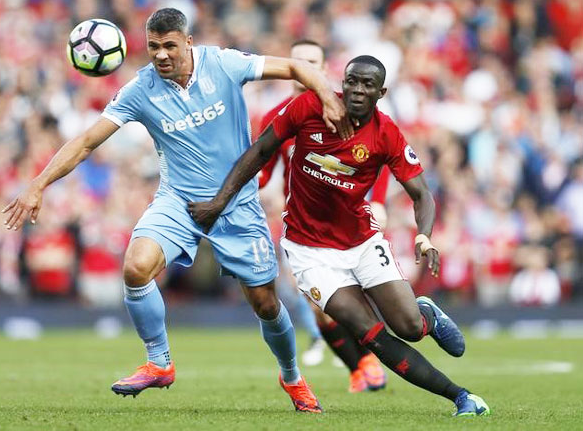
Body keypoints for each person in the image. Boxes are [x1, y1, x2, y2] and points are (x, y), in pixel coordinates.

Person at [2, 8, 352, 413]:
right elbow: (84, 143)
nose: (162, 55)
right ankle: (159, 362)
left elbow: (294, 66)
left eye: (170, 45)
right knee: (136, 267)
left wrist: (327, 96)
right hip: (179, 201)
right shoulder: (140, 90)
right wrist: (37, 184)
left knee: (266, 304)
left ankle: (292, 376)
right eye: (153, 47)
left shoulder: (223, 63)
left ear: (188, 42)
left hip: (235, 201)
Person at [189, 55, 491, 417]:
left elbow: (422, 193)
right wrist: (219, 202)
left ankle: (425, 316)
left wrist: (424, 236)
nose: (358, 90)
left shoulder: (385, 133)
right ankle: (462, 397)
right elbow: (260, 150)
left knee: (409, 328)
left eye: (367, 85)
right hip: (309, 251)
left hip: (362, 243)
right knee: (372, 334)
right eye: (352, 82)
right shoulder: (307, 107)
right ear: (343, 82)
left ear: (382, 92)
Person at [257, 39, 387, 393]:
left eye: (311, 61)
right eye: (296, 62)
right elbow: (263, 167)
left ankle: (381, 351)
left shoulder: (345, 106)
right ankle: (362, 365)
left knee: (359, 295)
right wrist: (249, 186)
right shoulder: (279, 114)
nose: (303, 68)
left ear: (325, 66)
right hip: (305, 226)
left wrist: (381, 201)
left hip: (351, 219)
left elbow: (382, 150)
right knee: (318, 306)